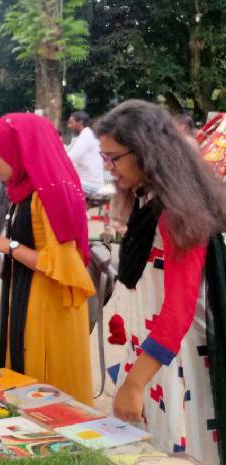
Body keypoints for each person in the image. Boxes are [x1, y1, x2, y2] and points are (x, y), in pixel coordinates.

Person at [96, 100, 226, 464]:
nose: (107, 167)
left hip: (177, 359)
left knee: (180, 448)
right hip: (155, 353)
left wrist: (135, 383)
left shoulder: (176, 210)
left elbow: (179, 308)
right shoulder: (148, 197)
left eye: (113, 158)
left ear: (144, 152)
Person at [0, 113, 95, 405]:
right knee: (22, 386)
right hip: (25, 295)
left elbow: (63, 264)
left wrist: (8, 245)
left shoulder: (51, 195)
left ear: (21, 150)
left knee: (46, 396)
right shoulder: (24, 191)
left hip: (49, 307)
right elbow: (27, 248)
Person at [65, 111, 104, 194]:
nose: (69, 126)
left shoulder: (86, 135)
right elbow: (66, 152)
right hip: (83, 181)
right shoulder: (80, 136)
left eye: (71, 123)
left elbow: (70, 158)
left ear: (80, 123)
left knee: (56, 186)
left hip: (88, 184)